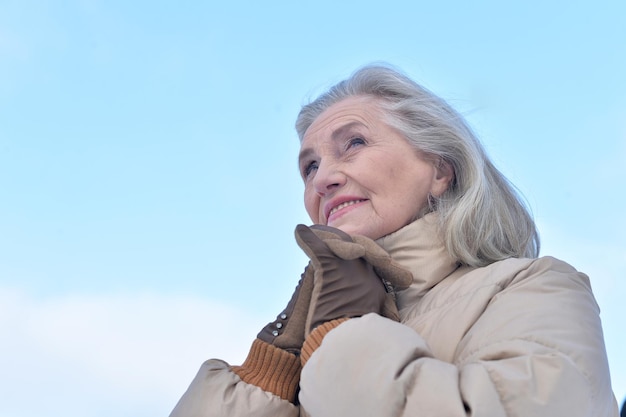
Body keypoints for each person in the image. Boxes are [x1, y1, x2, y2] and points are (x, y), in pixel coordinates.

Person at [169, 64, 619, 416]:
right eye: (309, 167)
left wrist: (343, 338)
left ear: (440, 171)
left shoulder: (535, 289)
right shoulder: (305, 348)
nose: (322, 177)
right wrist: (263, 379)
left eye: (354, 143)